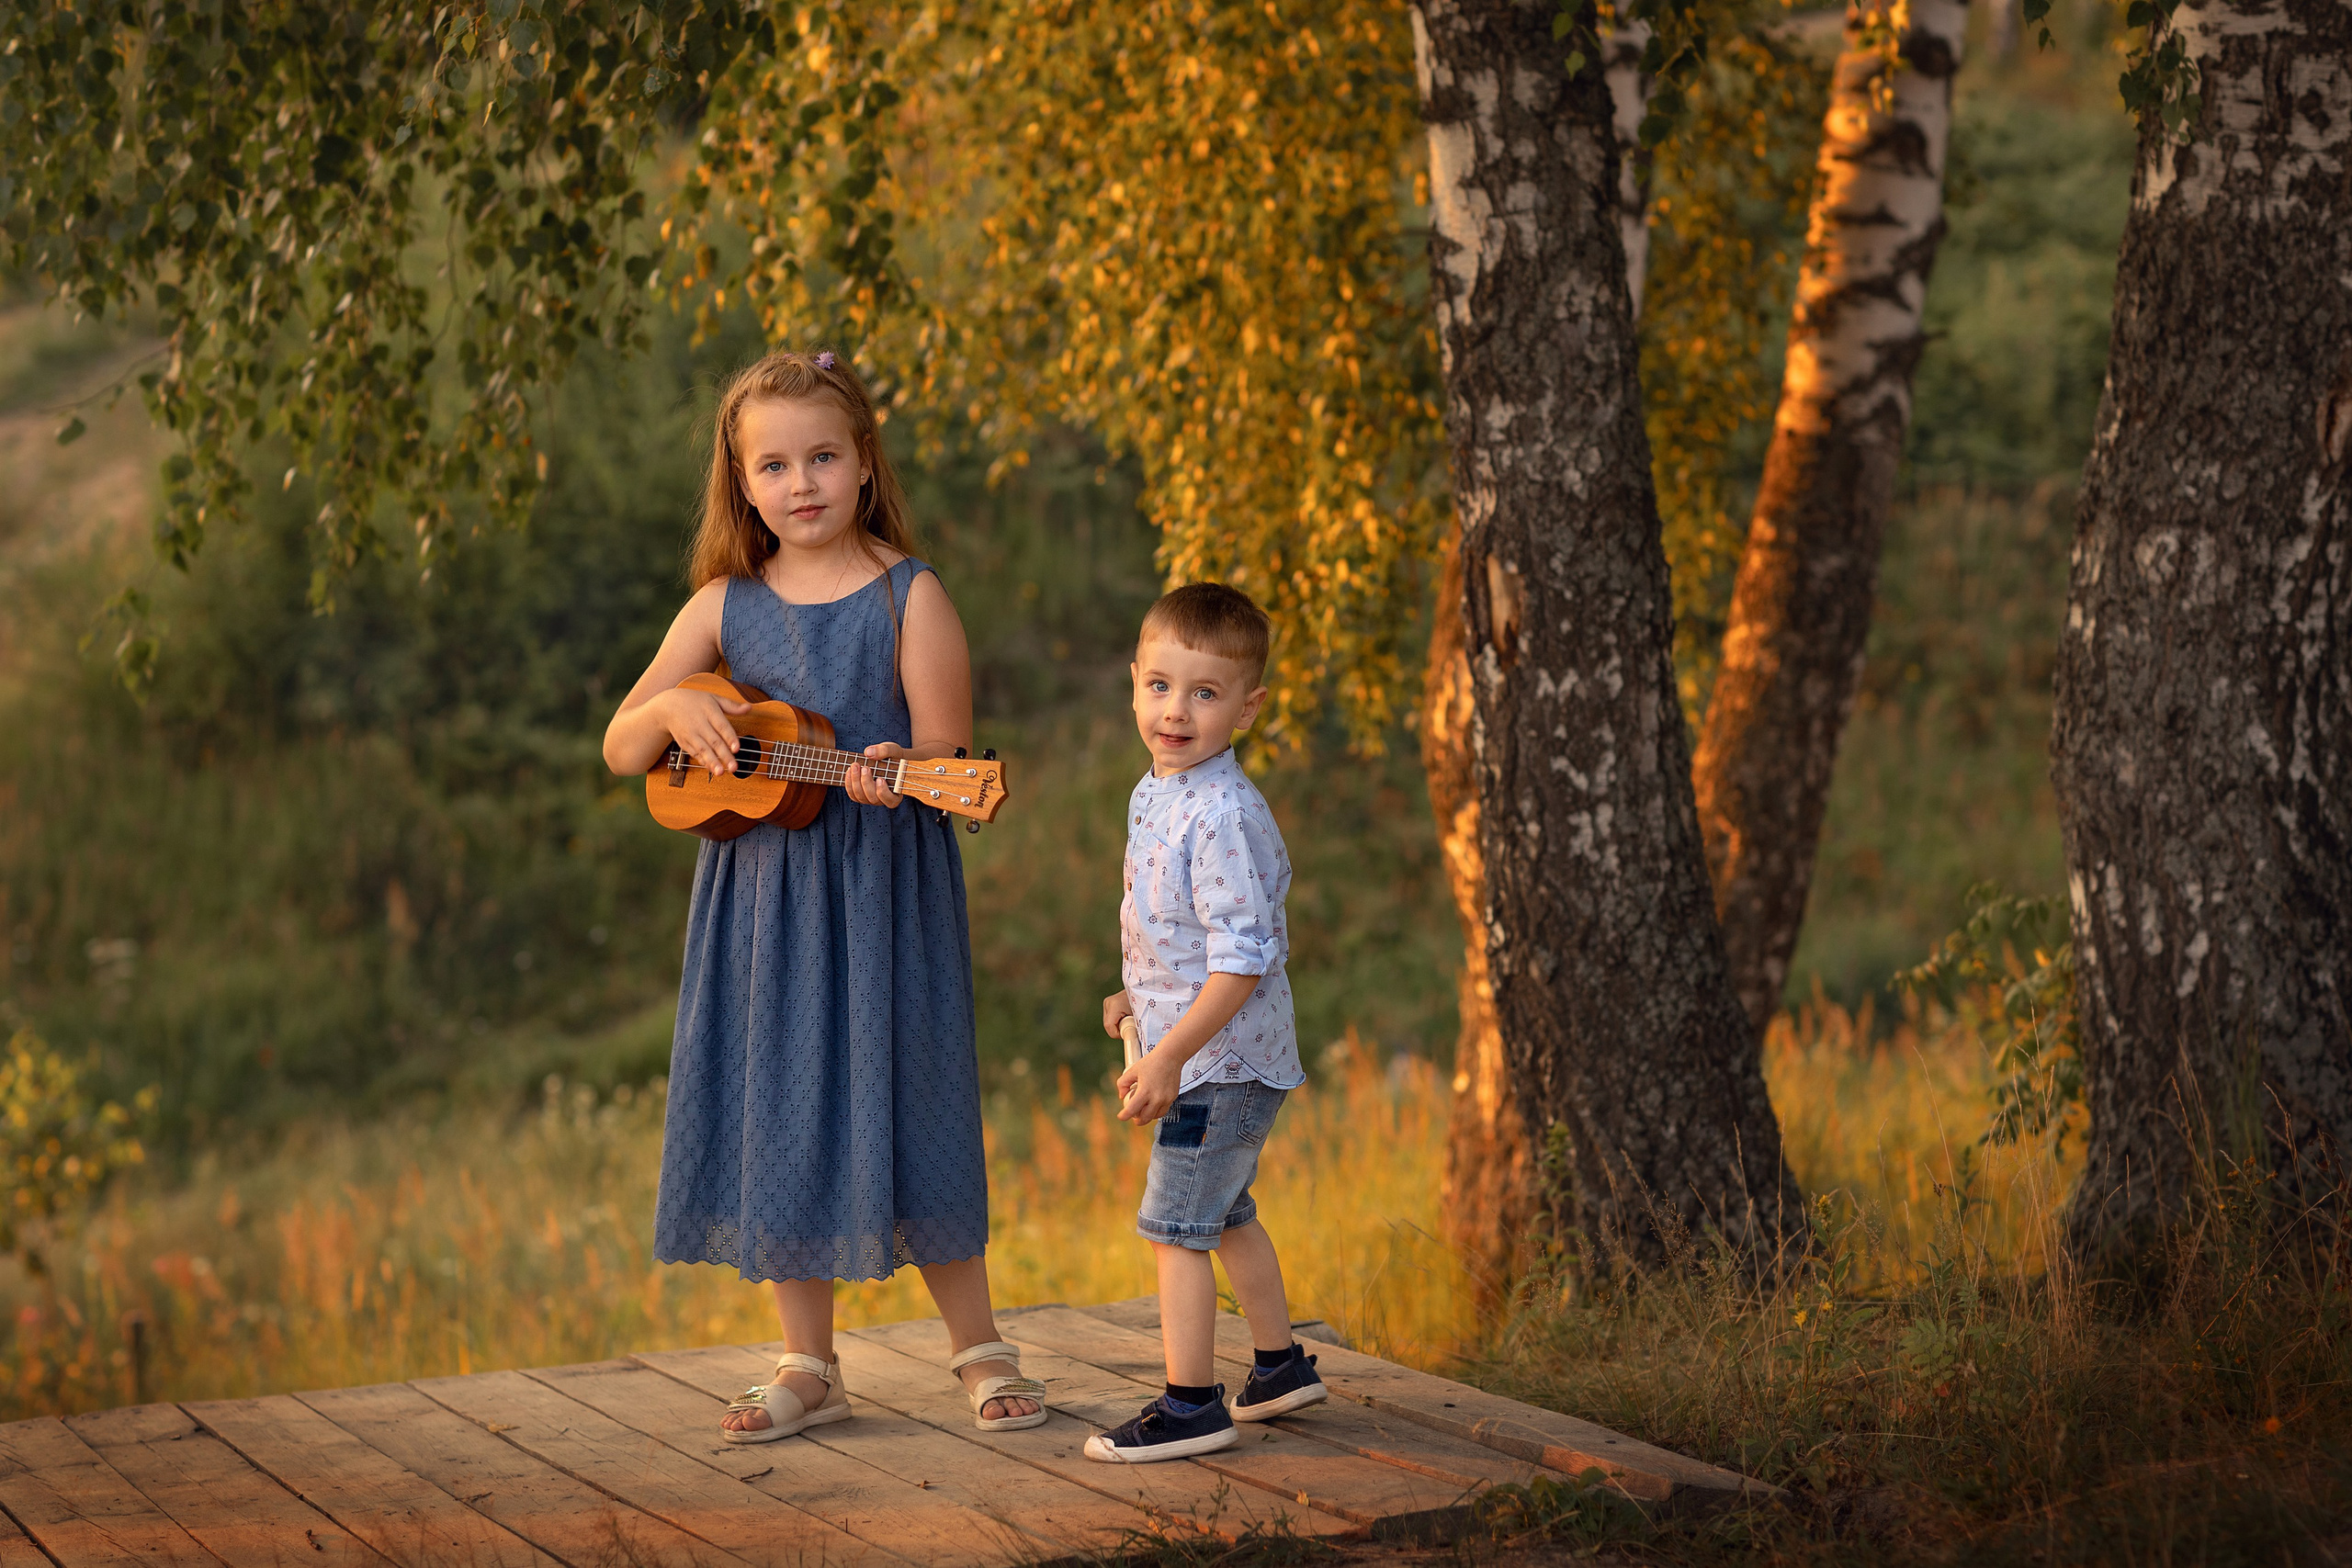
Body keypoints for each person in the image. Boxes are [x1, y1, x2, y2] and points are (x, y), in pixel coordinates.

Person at [602, 349, 1045, 1442]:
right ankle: (811, 1362)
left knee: (915, 1093)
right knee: (778, 1105)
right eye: (773, 465)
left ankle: (980, 1348)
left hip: (880, 895)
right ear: (741, 482)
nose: (800, 483)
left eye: (822, 458)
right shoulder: (720, 606)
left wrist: (899, 765)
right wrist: (674, 717)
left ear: (861, 466)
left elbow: (943, 757)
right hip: (759, 909)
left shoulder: (911, 593)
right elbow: (621, 744)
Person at [1089, 583, 1328, 1463]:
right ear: (1134, 683)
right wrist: (1134, 998)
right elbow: (1177, 935)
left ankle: (1192, 1404)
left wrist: (1168, 1060)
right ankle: (1278, 1367)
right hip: (1203, 1048)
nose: (1176, 711)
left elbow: (1240, 960)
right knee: (1225, 1212)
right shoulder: (1161, 789)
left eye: (1204, 693)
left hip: (1217, 1062)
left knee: (1175, 1228)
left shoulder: (1221, 811)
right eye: (1159, 686)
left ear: (1248, 707)